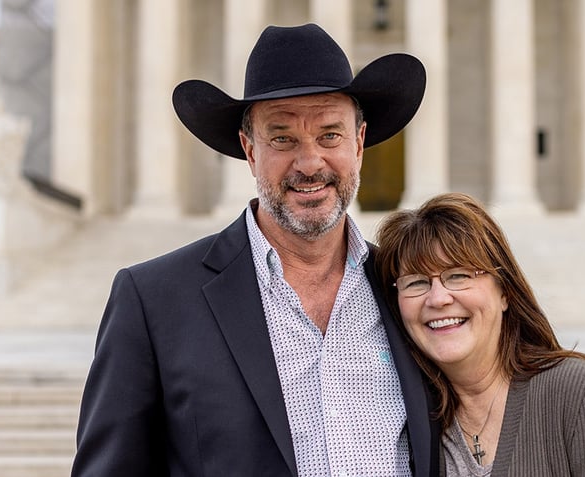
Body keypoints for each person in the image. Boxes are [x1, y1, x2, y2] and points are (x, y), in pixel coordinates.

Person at [71, 24, 440, 476]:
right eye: (282, 138)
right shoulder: (154, 300)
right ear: (249, 149)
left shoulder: (411, 290)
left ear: (359, 144)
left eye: (330, 135)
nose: (309, 163)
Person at [375, 193, 585, 476]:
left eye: (458, 275)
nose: (438, 298)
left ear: (504, 292)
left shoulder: (576, 391)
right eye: (416, 282)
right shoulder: (406, 419)